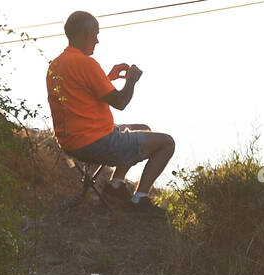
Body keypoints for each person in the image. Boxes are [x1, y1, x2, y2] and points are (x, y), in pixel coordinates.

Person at [45, 10, 175, 214]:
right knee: (167, 143)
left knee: (144, 129)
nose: (97, 40)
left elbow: (80, 93)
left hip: (70, 140)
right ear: (87, 33)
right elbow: (121, 102)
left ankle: (115, 187)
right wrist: (131, 80)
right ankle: (140, 201)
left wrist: (107, 78)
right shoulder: (86, 63)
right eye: (96, 34)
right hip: (96, 142)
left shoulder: (56, 64)